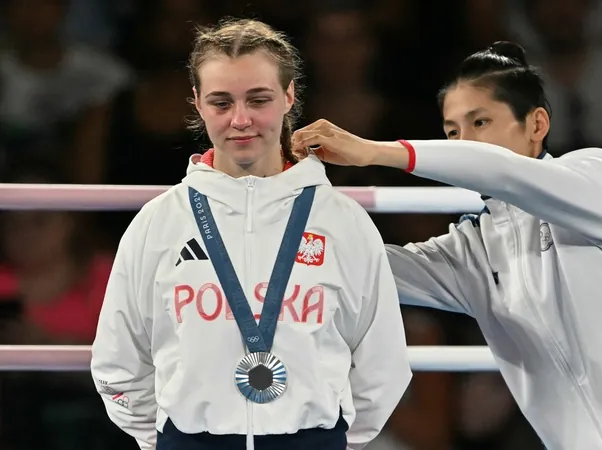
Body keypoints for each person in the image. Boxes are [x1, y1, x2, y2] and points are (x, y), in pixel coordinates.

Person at [292, 42, 602, 450]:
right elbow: (365, 265)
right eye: (452, 132)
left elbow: (500, 171)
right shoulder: (472, 249)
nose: (463, 142)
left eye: (480, 122)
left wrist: (375, 152)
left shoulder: (594, 176)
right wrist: (278, 214)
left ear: (537, 124)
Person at [90, 18, 411, 450]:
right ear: (198, 103)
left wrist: (329, 440)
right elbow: (118, 361)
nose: (240, 120)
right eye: (221, 102)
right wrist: (168, 440)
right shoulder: (158, 222)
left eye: (258, 100)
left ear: (288, 96)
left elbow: (383, 364)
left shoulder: (342, 221)